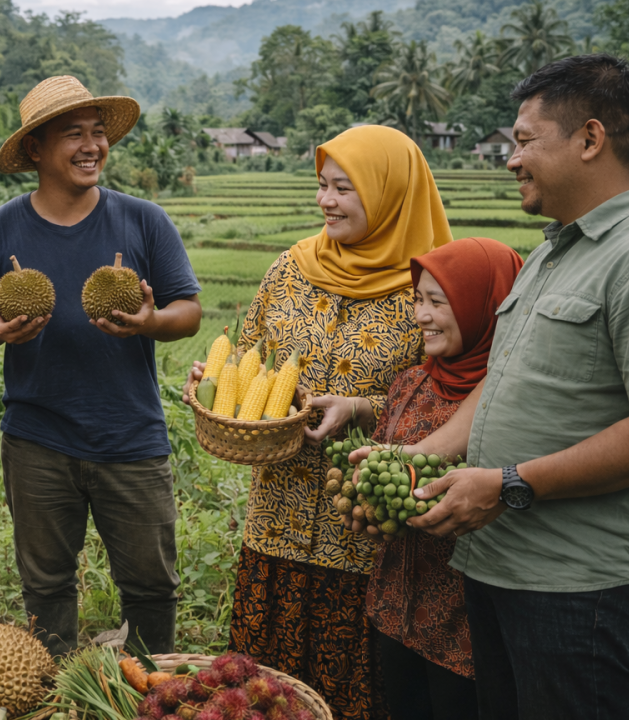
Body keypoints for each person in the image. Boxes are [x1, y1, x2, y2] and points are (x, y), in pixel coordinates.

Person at [359, 55, 629, 719]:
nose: (511, 159)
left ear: (590, 140)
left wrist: (510, 483)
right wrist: (429, 453)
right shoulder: (555, 255)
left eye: (525, 141)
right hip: (503, 568)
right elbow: (502, 383)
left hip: (587, 589)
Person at [183, 124, 452, 720]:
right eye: (322, 186)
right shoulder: (289, 269)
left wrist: (362, 409)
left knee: (350, 695)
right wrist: (220, 373)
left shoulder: (426, 288)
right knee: (262, 694)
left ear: (389, 193)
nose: (326, 201)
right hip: (274, 523)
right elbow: (251, 348)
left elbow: (451, 408)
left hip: (364, 537)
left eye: (345, 189)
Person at [0, 76, 202, 655]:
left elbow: (188, 311)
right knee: (45, 586)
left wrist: (150, 322)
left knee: (151, 585)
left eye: (98, 133)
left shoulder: (144, 221)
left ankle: (149, 686)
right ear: (35, 148)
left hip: (131, 435)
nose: (92, 146)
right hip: (37, 437)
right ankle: (56, 689)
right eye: (73, 135)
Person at [344, 238, 523, 720]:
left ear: (484, 304)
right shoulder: (408, 383)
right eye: (418, 300)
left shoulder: (513, 406)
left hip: (467, 625)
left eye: (438, 302)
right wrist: (369, 506)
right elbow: (381, 476)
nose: (420, 315)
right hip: (394, 610)